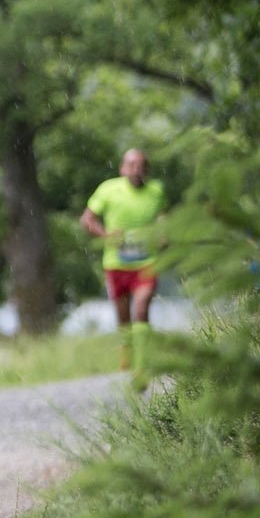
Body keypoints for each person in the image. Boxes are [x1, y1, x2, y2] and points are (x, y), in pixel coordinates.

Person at [81, 149, 165, 376]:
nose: (136, 170)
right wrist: (106, 235)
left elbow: (162, 217)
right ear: (122, 168)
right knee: (124, 317)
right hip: (116, 263)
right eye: (131, 165)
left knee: (142, 306)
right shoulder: (108, 190)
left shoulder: (156, 190)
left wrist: (163, 233)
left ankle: (142, 360)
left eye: (141, 165)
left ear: (147, 169)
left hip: (147, 262)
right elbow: (87, 220)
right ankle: (127, 351)